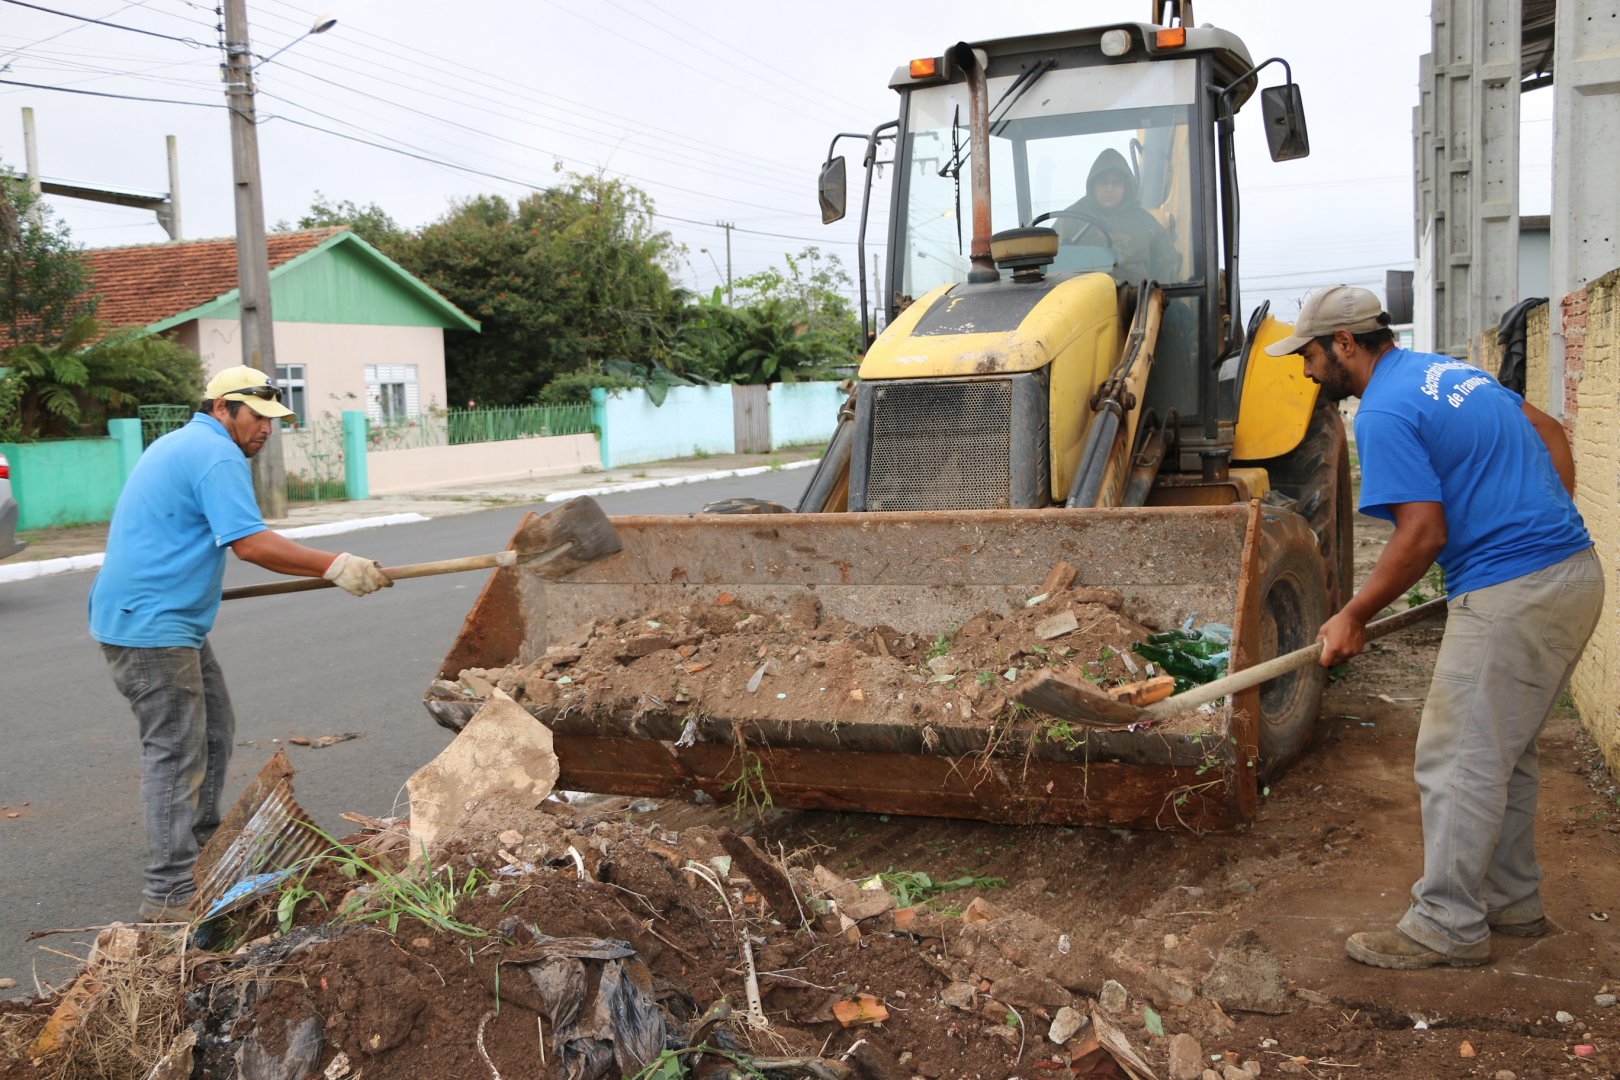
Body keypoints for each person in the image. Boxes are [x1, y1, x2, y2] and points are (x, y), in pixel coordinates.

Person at [1264, 285, 1603, 970]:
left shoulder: (1385, 411)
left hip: (1516, 593)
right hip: (1571, 575)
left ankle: (1447, 923)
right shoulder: (1450, 373)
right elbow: (1551, 433)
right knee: (1503, 755)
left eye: (1308, 355)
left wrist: (1355, 613)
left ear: (1346, 345)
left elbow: (1422, 534)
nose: (1304, 370)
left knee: (1456, 758)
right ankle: (1511, 903)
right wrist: (1535, 520)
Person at [89, 366, 394, 922]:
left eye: (273, 422)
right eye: (258, 418)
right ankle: (170, 892)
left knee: (214, 727)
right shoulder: (215, 453)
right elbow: (250, 545)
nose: (266, 431)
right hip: (153, 625)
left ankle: (203, 843)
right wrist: (336, 565)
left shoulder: (181, 444)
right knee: (177, 749)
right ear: (223, 407)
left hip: (159, 616)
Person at [1060, 148, 1180, 284]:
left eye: (1116, 183)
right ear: (1093, 185)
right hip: (1091, 297)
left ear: (1126, 186)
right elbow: (1056, 263)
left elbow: (1167, 261)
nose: (1109, 188)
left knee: (1178, 306)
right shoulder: (1071, 218)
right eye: (1103, 182)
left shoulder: (1144, 221)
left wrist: (1157, 292)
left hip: (1141, 297)